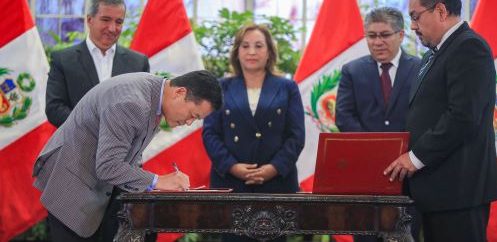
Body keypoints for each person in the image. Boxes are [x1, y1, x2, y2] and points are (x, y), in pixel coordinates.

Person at [33, 70, 223, 242]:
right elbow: (108, 166)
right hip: (72, 183)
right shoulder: (132, 103)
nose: (189, 123)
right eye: (193, 115)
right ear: (180, 92)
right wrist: (159, 181)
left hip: (93, 182)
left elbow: (128, 154)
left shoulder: (155, 93)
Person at [384, 0, 497, 242]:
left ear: (440, 11)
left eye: (415, 17)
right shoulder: (433, 54)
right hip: (436, 189)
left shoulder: (469, 47)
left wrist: (414, 158)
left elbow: (462, 116)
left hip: (459, 190)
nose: (412, 25)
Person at [202, 23, 305, 242]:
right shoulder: (221, 87)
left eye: (259, 46)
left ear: (269, 53)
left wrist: (273, 168)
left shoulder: (287, 87)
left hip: (276, 185)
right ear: (237, 52)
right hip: (231, 183)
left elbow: (296, 136)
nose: (251, 52)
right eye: (245, 46)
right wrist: (232, 166)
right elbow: (210, 133)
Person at [45, 0, 150, 127]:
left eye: (118, 22)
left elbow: (145, 109)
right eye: (106, 20)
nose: (112, 28)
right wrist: (93, 129)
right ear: (90, 20)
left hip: (124, 146)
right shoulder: (63, 60)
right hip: (79, 145)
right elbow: (54, 108)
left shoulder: (138, 63)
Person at [336, 6, 421, 132]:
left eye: (385, 35)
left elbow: (426, 114)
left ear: (401, 35)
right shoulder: (352, 71)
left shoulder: (419, 68)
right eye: (372, 36)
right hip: (364, 148)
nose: (377, 42)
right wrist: (370, 146)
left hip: (409, 149)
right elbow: (344, 117)